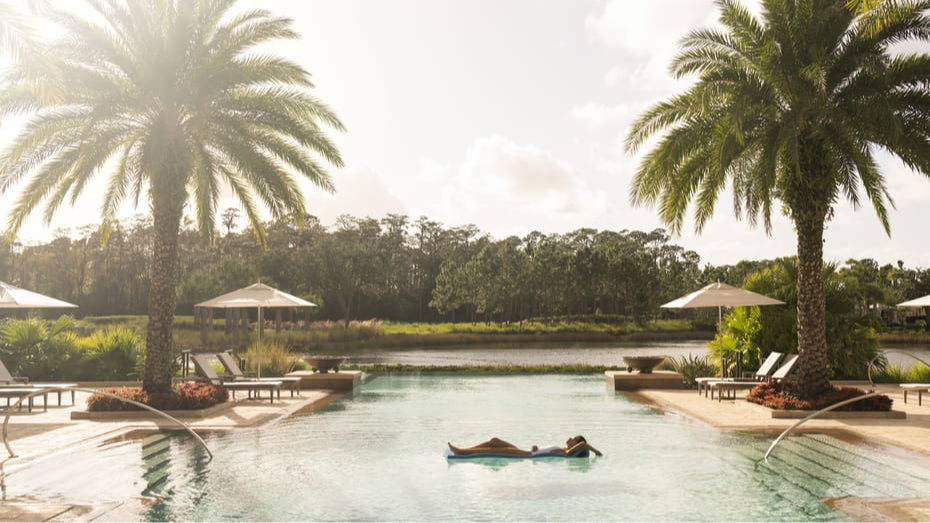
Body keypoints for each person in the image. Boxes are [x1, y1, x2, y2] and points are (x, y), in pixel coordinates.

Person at [448, 435, 602, 457]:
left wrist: (597, 452)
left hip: (527, 456)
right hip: (528, 451)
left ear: (575, 444)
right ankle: (464, 449)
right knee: (494, 440)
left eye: (573, 438)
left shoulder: (567, 452)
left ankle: (461, 451)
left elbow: (584, 444)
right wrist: (536, 446)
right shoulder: (564, 449)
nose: (569, 438)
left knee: (493, 449)